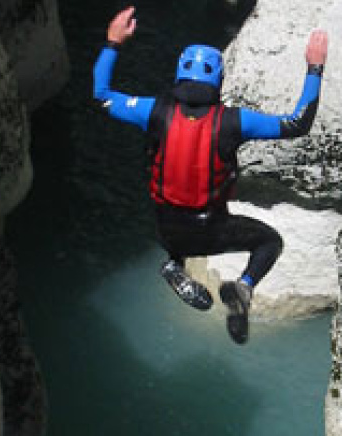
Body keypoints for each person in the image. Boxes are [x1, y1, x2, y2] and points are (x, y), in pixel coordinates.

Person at [94, 6, 328, 344]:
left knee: (176, 222)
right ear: (218, 80)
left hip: (166, 228)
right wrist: (314, 67)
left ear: (179, 76)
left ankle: (174, 264)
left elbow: (101, 95)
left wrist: (112, 42)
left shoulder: (153, 112)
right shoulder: (235, 122)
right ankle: (243, 289)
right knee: (269, 242)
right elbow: (298, 123)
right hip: (212, 229)